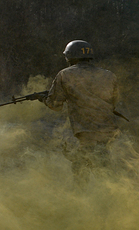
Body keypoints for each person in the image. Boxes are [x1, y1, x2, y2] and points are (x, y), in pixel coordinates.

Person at [42, 40, 121, 181]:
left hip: (86, 131)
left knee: (82, 168)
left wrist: (43, 99)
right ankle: (111, 193)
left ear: (70, 56)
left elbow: (55, 105)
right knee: (101, 162)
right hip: (108, 130)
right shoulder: (109, 75)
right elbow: (113, 103)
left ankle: (86, 196)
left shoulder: (65, 75)